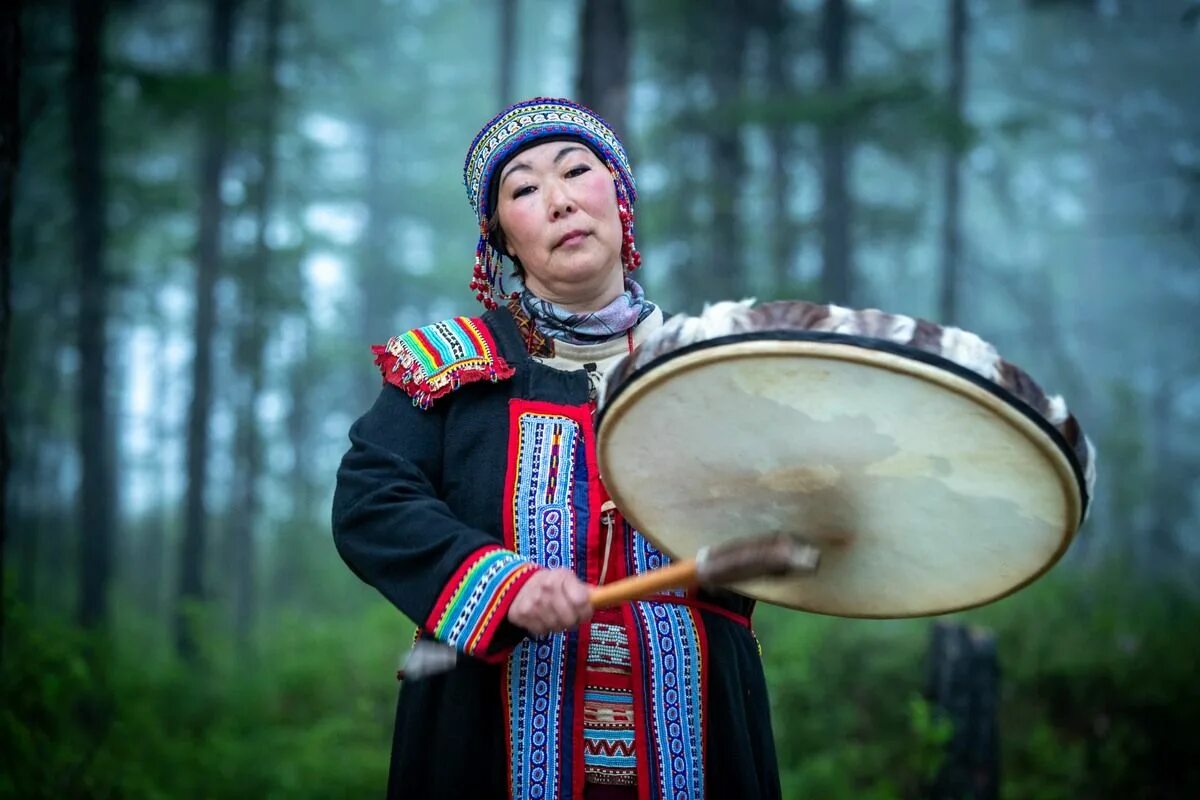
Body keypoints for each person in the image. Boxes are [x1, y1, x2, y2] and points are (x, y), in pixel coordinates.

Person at [333, 97, 781, 799]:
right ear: (502, 240)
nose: (560, 200)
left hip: (700, 730)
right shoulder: (450, 367)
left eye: (577, 170)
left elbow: (792, 507)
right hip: (484, 735)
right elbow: (371, 500)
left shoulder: (713, 367)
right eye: (524, 189)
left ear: (619, 198)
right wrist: (501, 584)